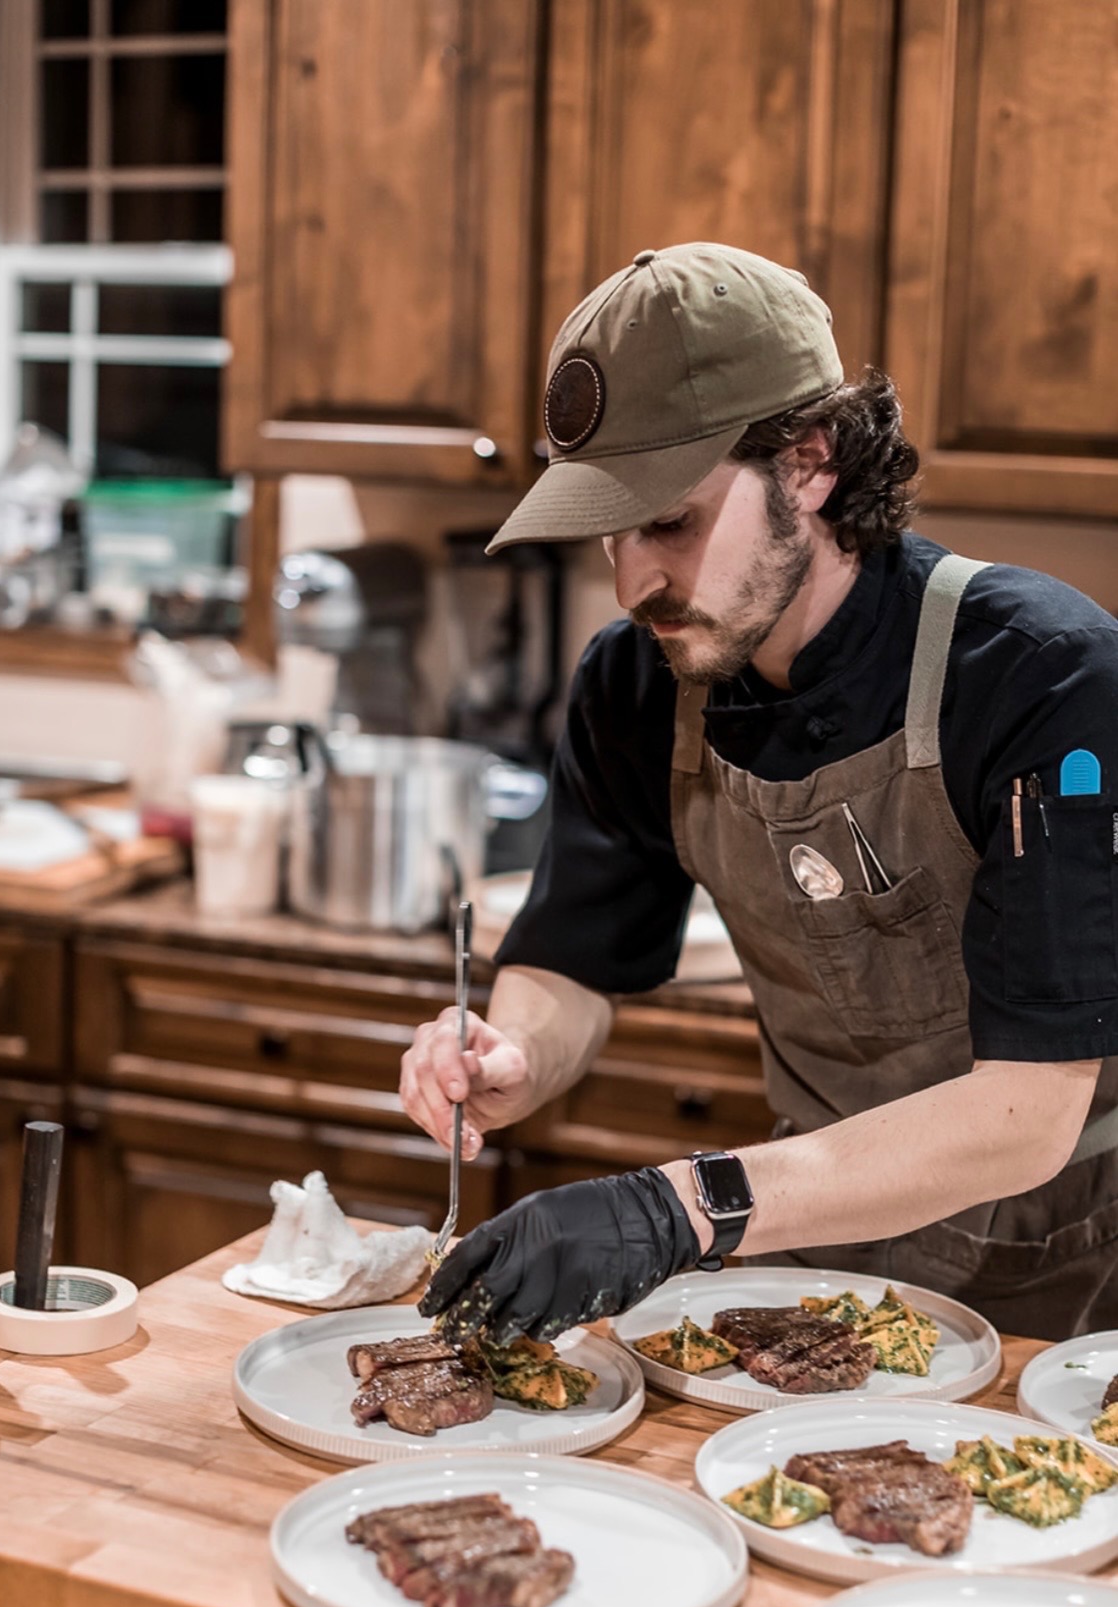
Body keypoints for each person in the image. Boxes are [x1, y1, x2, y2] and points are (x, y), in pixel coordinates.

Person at [401, 242, 1118, 1346]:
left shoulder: (1041, 676)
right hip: (810, 1250)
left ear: (810, 461)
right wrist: (516, 1052)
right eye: (608, 529)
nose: (632, 581)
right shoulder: (638, 682)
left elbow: (1028, 1111)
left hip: (1068, 1279)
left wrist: (677, 1208)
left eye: (668, 522)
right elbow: (576, 960)